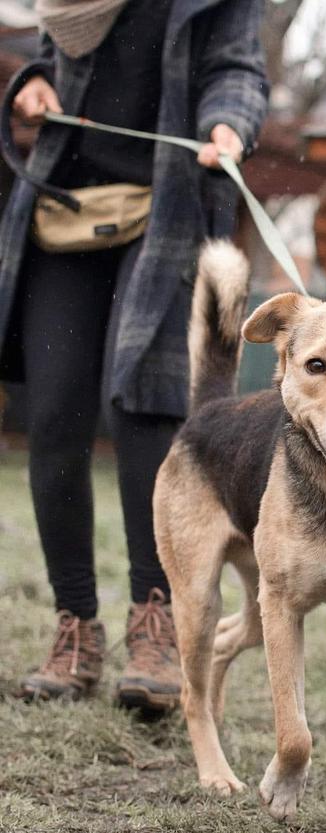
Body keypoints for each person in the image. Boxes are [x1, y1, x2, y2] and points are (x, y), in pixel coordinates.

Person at [0, 0, 269, 711]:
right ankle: (74, 627)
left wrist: (228, 125)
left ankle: (155, 624)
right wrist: (31, 84)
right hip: (64, 210)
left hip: (165, 214)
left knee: (140, 406)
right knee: (53, 416)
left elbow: (237, 68)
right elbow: (51, 55)